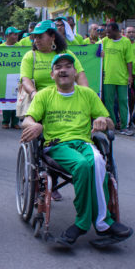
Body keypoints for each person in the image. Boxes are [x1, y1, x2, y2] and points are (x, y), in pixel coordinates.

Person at [21, 53, 133, 246]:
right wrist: (35, 125)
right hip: (56, 145)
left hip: (83, 143)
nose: (63, 70)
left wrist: (102, 120)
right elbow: (27, 120)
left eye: (67, 66)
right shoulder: (44, 95)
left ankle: (100, 222)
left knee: (98, 162)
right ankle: (89, 222)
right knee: (82, 165)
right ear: (52, 74)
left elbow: (110, 123)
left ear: (75, 72)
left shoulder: (87, 94)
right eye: (58, 68)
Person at [20, 20, 89, 201]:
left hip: (66, 101)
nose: (36, 40)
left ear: (52, 36)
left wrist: (87, 96)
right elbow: (25, 79)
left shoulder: (65, 55)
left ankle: (57, 179)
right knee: (41, 139)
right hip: (41, 102)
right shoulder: (31, 56)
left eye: (40, 37)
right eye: (34, 37)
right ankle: (39, 184)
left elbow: (80, 76)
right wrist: (34, 93)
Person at [102, 22, 135, 136]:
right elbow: (94, 49)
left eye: (109, 32)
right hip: (108, 78)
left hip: (122, 78)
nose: (107, 34)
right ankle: (112, 125)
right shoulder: (105, 41)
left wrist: (130, 76)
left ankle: (124, 127)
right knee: (109, 103)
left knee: (123, 102)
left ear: (116, 31)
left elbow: (129, 60)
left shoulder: (125, 42)